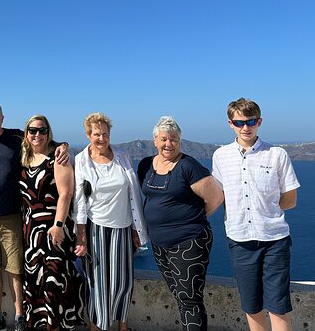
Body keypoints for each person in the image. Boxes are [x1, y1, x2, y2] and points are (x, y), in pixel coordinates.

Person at [0, 101, 70, 331]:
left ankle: (20, 316)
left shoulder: (16, 137)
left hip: (13, 215)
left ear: (2, 118)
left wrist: (64, 145)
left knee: (15, 269)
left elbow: (44, 140)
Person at [212, 98, 299, 331]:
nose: (245, 127)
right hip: (240, 240)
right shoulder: (221, 156)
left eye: (250, 121)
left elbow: (290, 200)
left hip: (274, 241)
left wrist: (266, 211)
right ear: (230, 123)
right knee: (252, 305)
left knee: (278, 306)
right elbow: (219, 196)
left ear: (259, 121)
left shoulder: (277, 154)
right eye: (239, 122)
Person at [137, 116, 224, 331]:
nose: (168, 144)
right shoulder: (146, 165)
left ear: (180, 141)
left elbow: (216, 198)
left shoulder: (188, 166)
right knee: (179, 295)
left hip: (188, 242)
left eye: (173, 139)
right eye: (164, 139)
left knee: (189, 299)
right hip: (159, 243)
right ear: (155, 141)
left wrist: (191, 218)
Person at [73, 113, 148, 331]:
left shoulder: (123, 156)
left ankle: (122, 325)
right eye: (96, 134)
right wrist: (81, 236)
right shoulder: (81, 160)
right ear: (88, 135)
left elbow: (132, 193)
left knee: (123, 283)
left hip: (123, 228)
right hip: (96, 228)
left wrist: (136, 229)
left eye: (105, 133)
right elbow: (79, 200)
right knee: (98, 284)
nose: (101, 138)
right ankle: (97, 326)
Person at [19, 114, 84, 331]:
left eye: (42, 130)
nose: (37, 134)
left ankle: (56, 326)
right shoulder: (24, 158)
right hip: (30, 232)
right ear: (26, 133)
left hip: (53, 228)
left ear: (49, 133)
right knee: (36, 281)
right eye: (33, 130)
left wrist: (57, 226)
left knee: (54, 281)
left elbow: (66, 194)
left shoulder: (58, 158)